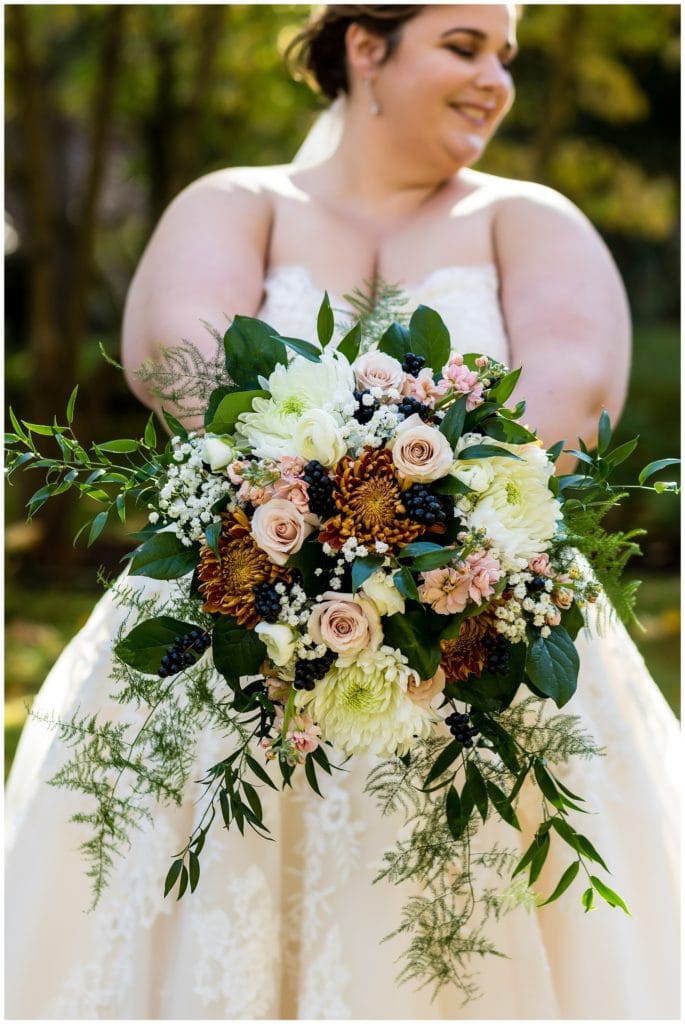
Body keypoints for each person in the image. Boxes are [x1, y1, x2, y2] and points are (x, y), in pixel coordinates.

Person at [5, 6, 680, 1019]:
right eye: (463, 46)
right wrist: (308, 508)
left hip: (479, 626)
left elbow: (574, 396)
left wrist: (429, 532)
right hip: (234, 600)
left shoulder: (523, 216)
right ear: (365, 47)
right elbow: (175, 359)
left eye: (504, 56)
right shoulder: (240, 202)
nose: (494, 79)